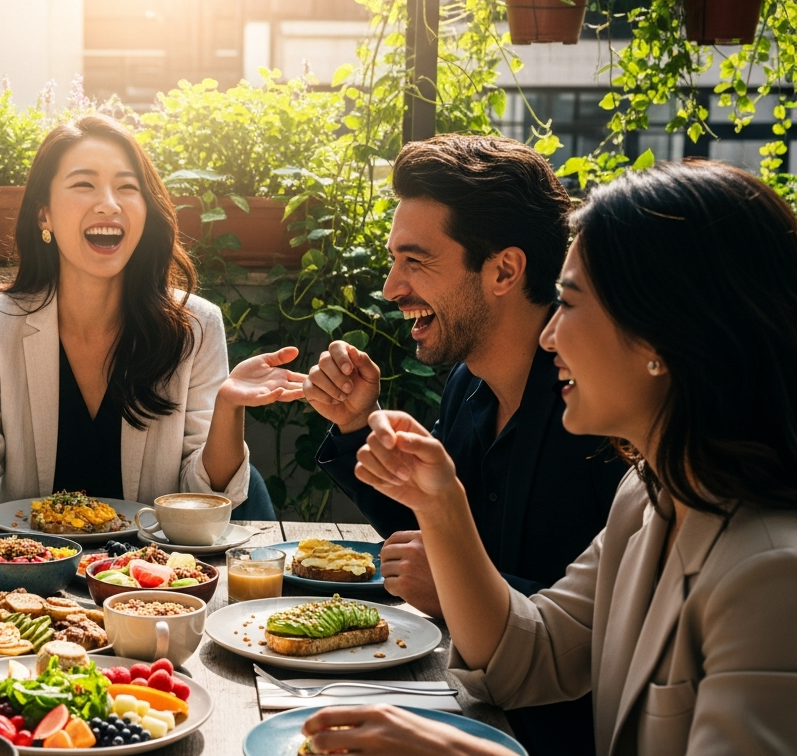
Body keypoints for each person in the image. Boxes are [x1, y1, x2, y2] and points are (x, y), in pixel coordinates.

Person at [300, 160, 797, 755]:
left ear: (663, 336)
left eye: (570, 303)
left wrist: (463, 752)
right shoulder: (649, 496)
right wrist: (441, 504)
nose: (548, 335)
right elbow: (529, 651)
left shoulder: (771, 574)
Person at [304, 135, 627, 754]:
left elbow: (611, 630)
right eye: (394, 260)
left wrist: (454, 582)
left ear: (504, 270)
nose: (393, 288)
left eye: (416, 261)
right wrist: (356, 425)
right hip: (462, 701)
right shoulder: (466, 387)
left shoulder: (609, 421)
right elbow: (436, 542)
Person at [0, 115, 303, 517]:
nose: (109, 203)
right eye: (84, 184)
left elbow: (201, 497)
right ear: (43, 213)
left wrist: (229, 407)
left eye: (128, 187)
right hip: (32, 569)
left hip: (151, 578)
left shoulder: (196, 325)